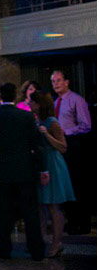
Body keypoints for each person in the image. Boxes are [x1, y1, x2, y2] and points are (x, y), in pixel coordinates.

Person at [0, 83, 49, 261]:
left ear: (0, 97)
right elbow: (36, 144)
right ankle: (36, 249)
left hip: (2, 172)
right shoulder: (25, 116)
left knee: (4, 213)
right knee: (30, 212)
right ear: (15, 97)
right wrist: (42, 169)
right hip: (25, 170)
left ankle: (4, 249)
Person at [29, 90, 75, 259]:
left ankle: (57, 242)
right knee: (42, 205)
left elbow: (63, 146)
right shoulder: (37, 120)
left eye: (32, 102)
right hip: (41, 164)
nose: (29, 104)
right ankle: (42, 241)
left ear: (39, 104)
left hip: (53, 164)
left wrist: (46, 134)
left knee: (54, 205)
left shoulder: (52, 122)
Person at [50, 69, 93, 235]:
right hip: (61, 147)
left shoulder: (76, 100)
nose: (56, 84)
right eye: (53, 81)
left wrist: (66, 133)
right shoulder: (55, 103)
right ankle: (71, 220)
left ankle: (82, 222)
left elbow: (86, 125)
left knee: (77, 184)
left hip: (75, 146)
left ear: (67, 82)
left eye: (59, 80)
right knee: (66, 184)